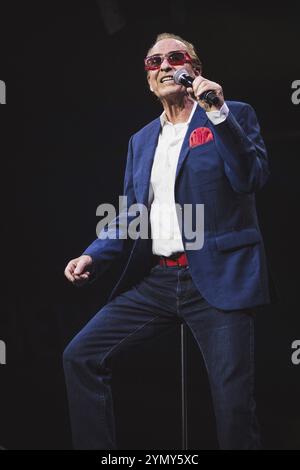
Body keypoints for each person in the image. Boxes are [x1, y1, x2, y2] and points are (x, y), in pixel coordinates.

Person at [63, 32, 270, 450]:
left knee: (233, 408)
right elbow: (133, 211)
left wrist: (218, 112)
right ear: (149, 80)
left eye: (175, 57)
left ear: (194, 68)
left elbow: (251, 177)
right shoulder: (141, 141)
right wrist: (93, 254)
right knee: (81, 356)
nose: (163, 65)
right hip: (160, 281)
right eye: (153, 62)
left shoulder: (232, 115)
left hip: (217, 280)